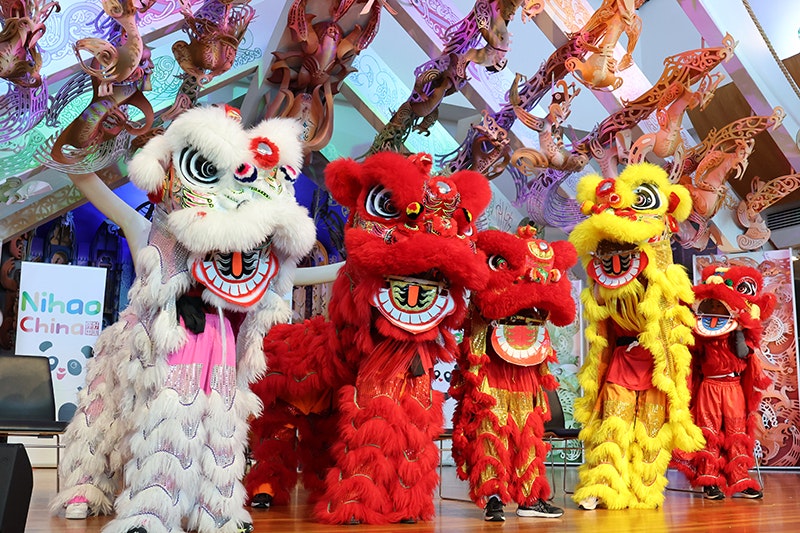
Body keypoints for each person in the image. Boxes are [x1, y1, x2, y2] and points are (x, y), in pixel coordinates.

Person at [568, 162, 704, 510]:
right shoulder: (610, 282)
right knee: (613, 424)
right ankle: (602, 486)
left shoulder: (667, 278)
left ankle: (642, 490)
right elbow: (604, 318)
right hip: (624, 360)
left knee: (651, 429)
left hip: (657, 363)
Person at [450, 226, 577, 521]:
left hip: (526, 369)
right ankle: (493, 498)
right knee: (490, 431)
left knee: (529, 433)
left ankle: (530, 499)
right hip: (492, 369)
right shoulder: (490, 284)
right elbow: (483, 313)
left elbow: (558, 314)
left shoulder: (540, 286)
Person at [673, 265, 775, 500]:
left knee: (736, 432)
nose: (717, 310)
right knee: (708, 432)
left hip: (733, 387)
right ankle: (710, 482)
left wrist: (738, 328)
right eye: (713, 305)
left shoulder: (740, 332)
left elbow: (742, 353)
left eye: (722, 305)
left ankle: (740, 480)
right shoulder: (699, 333)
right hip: (709, 387)